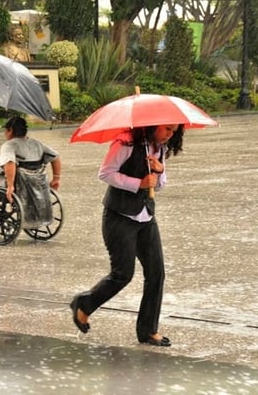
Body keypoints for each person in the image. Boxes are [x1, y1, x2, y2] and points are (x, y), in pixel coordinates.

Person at [70, 124, 185, 347]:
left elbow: (159, 186)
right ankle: (84, 304)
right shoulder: (125, 142)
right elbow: (105, 173)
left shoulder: (159, 148)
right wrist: (137, 183)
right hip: (119, 216)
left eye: (174, 131)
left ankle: (148, 331)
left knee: (156, 273)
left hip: (145, 217)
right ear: (153, 125)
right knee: (123, 274)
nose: (170, 134)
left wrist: (159, 172)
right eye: (167, 129)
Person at [0, 116, 61, 227]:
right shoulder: (37, 144)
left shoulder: (9, 145)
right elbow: (55, 156)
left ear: (11, 130)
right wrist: (56, 178)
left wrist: (10, 186)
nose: (4, 133)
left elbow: (10, 162)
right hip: (35, 185)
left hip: (10, 186)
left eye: (5, 130)